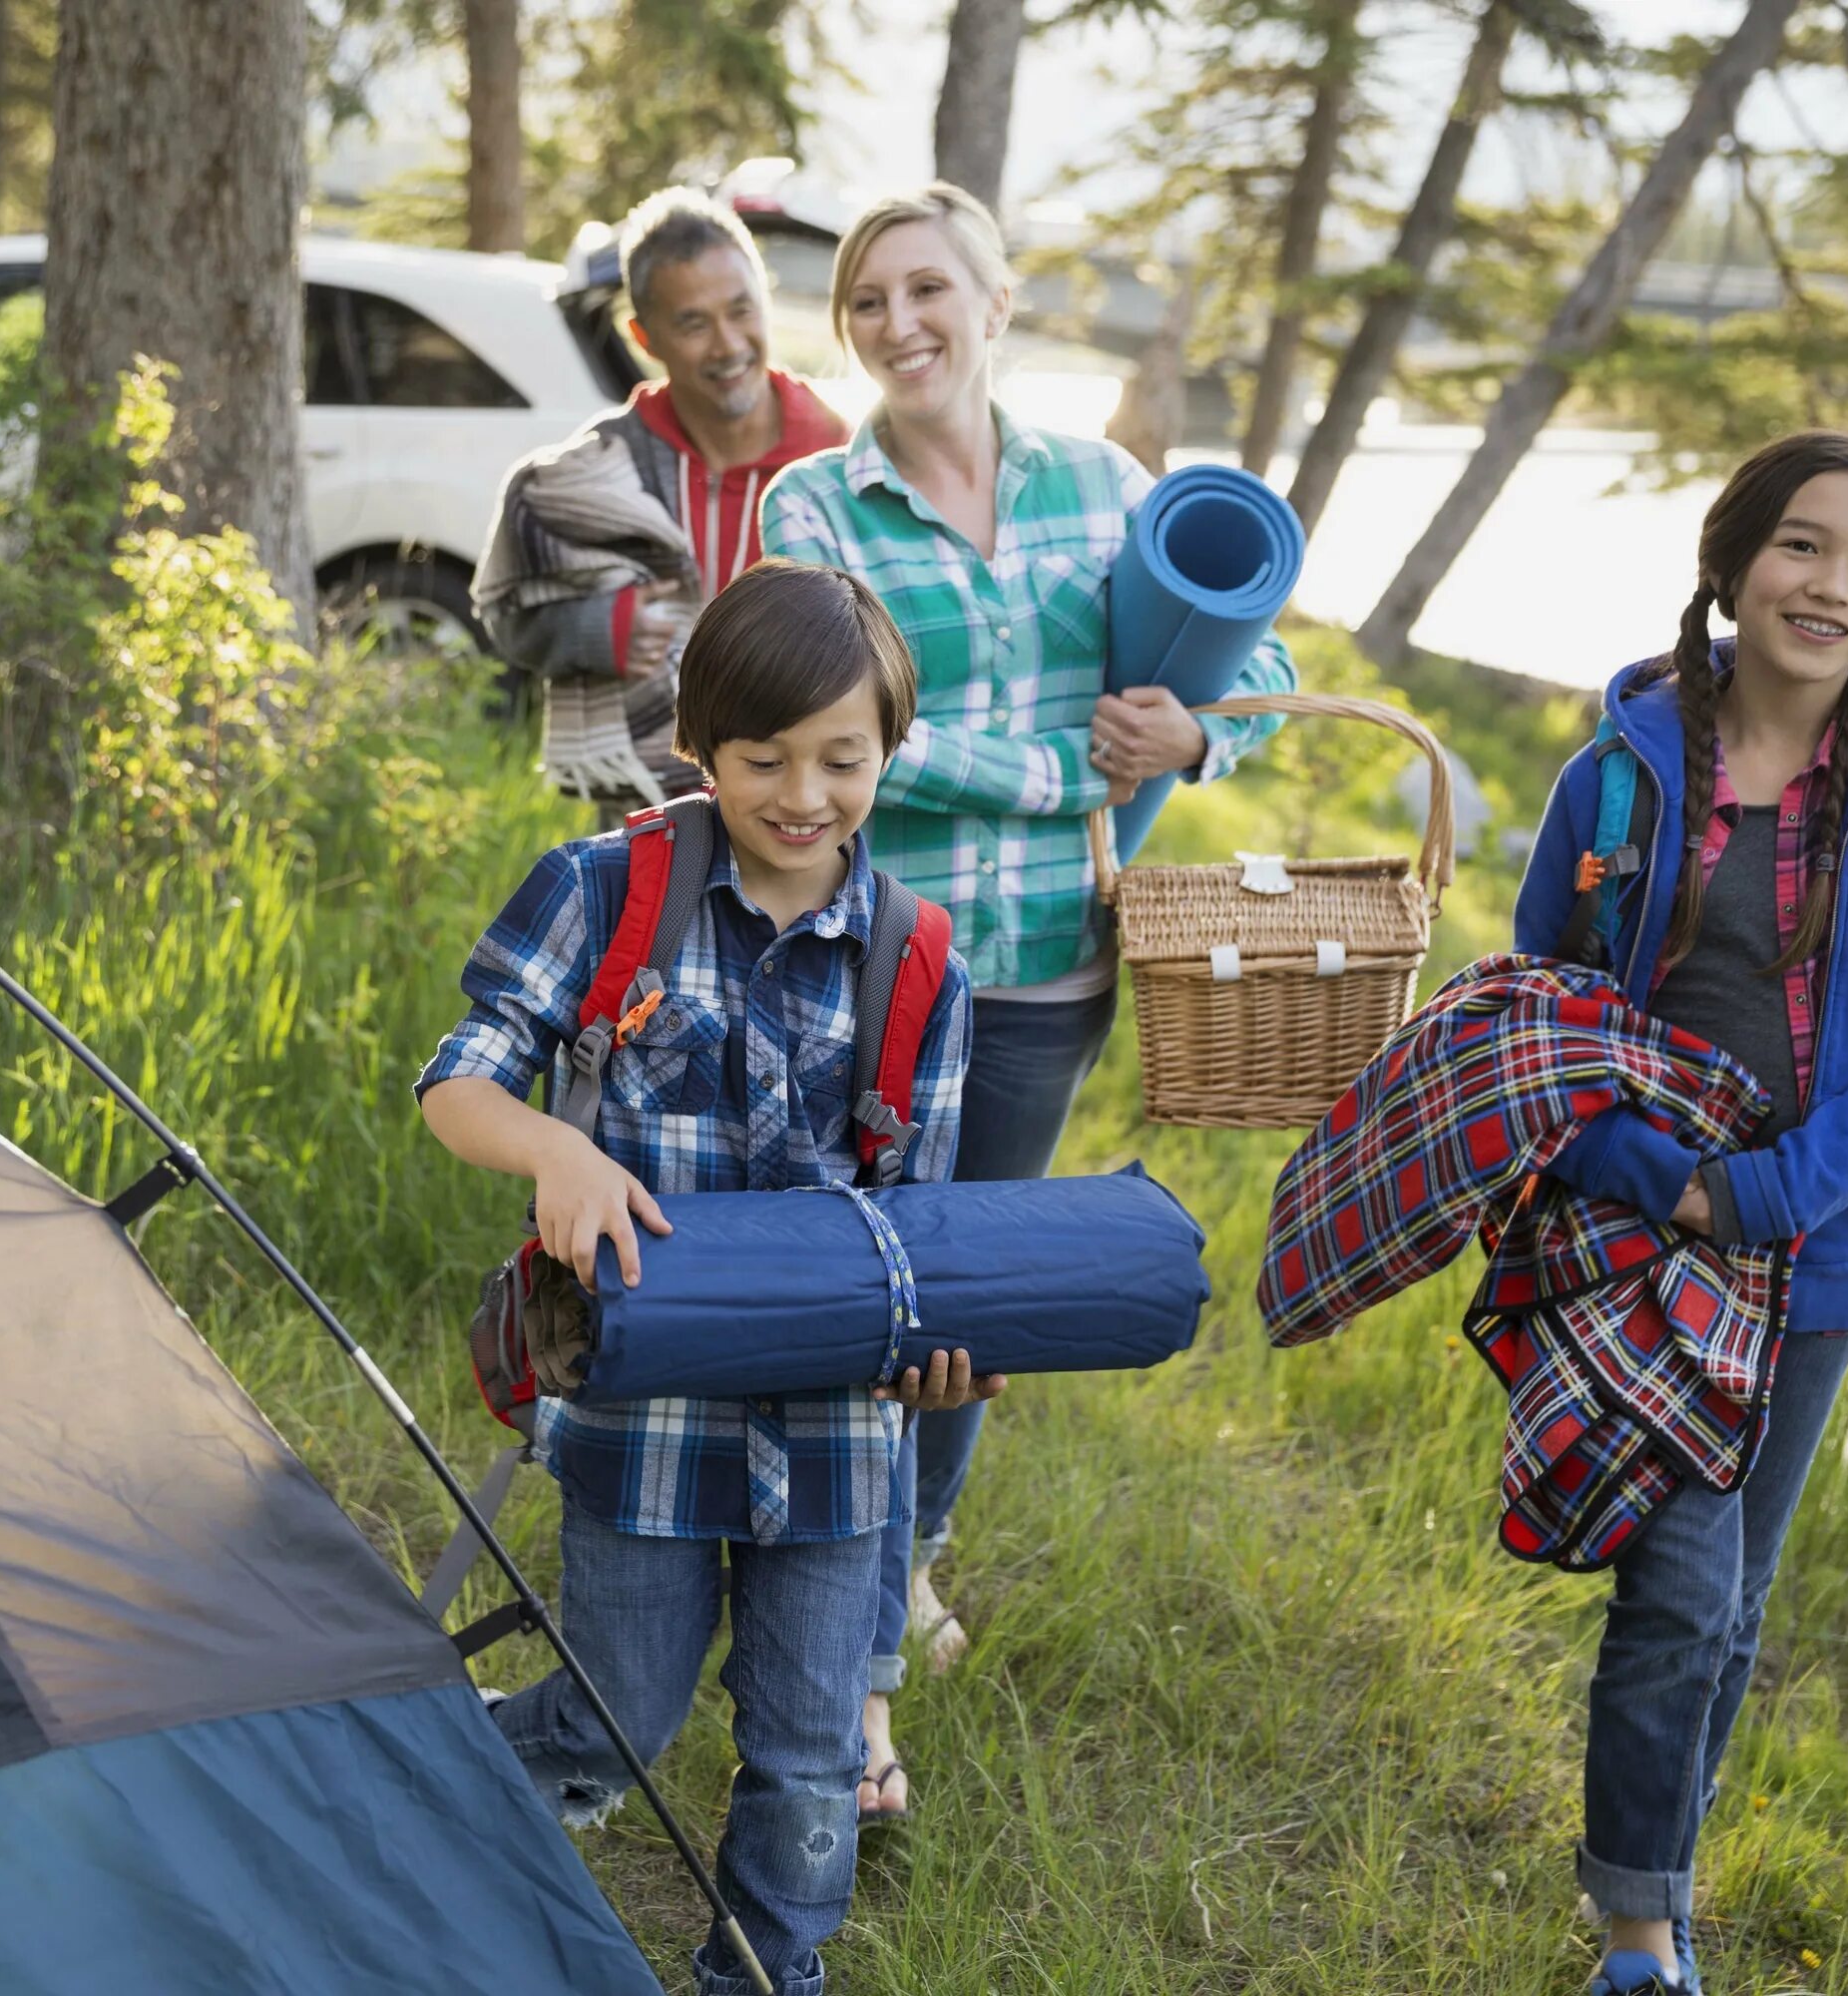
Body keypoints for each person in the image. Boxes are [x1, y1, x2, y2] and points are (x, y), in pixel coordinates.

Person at [759, 181, 1293, 1826]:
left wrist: (1199, 744)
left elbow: (1254, 669)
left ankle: (904, 1558)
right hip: (865, 969)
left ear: (997, 304)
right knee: (863, 1305)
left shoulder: (1100, 481)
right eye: (867, 302)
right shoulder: (812, 510)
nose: (901, 324)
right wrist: (1075, 765)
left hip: (1051, 975)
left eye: (931, 290)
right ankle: (847, 1696)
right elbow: (847, 730)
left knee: (969, 1320)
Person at [417, 560, 991, 1996]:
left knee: (805, 1762)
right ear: (696, 742)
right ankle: (431, 1785)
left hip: (838, 1438)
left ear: (888, 750)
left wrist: (943, 1347)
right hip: (646, 1424)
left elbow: (925, 1223)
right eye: (764, 758)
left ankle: (763, 1974)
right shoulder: (610, 889)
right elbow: (459, 1079)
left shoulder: (921, 961)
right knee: (619, 1717)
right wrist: (552, 1145)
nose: (805, 793)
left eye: (842, 759)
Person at [1513, 430, 1848, 1995]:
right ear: (1730, 562)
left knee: (1734, 1603)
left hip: (1831, 1239)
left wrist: (1769, 1190)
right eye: (1804, 546)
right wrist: (1663, 1180)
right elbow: (1543, 1011)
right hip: (1643, 1239)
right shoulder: (1623, 767)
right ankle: (1641, 1937)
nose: (1836, 585)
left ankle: (1667, 1881)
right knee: (1677, 1586)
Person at [475, 188, 850, 820]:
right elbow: (505, 613)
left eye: (741, 310)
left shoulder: (839, 455)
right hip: (653, 815)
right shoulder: (598, 472)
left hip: (809, 814)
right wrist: (597, 630)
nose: (728, 344)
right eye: (694, 323)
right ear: (644, 335)